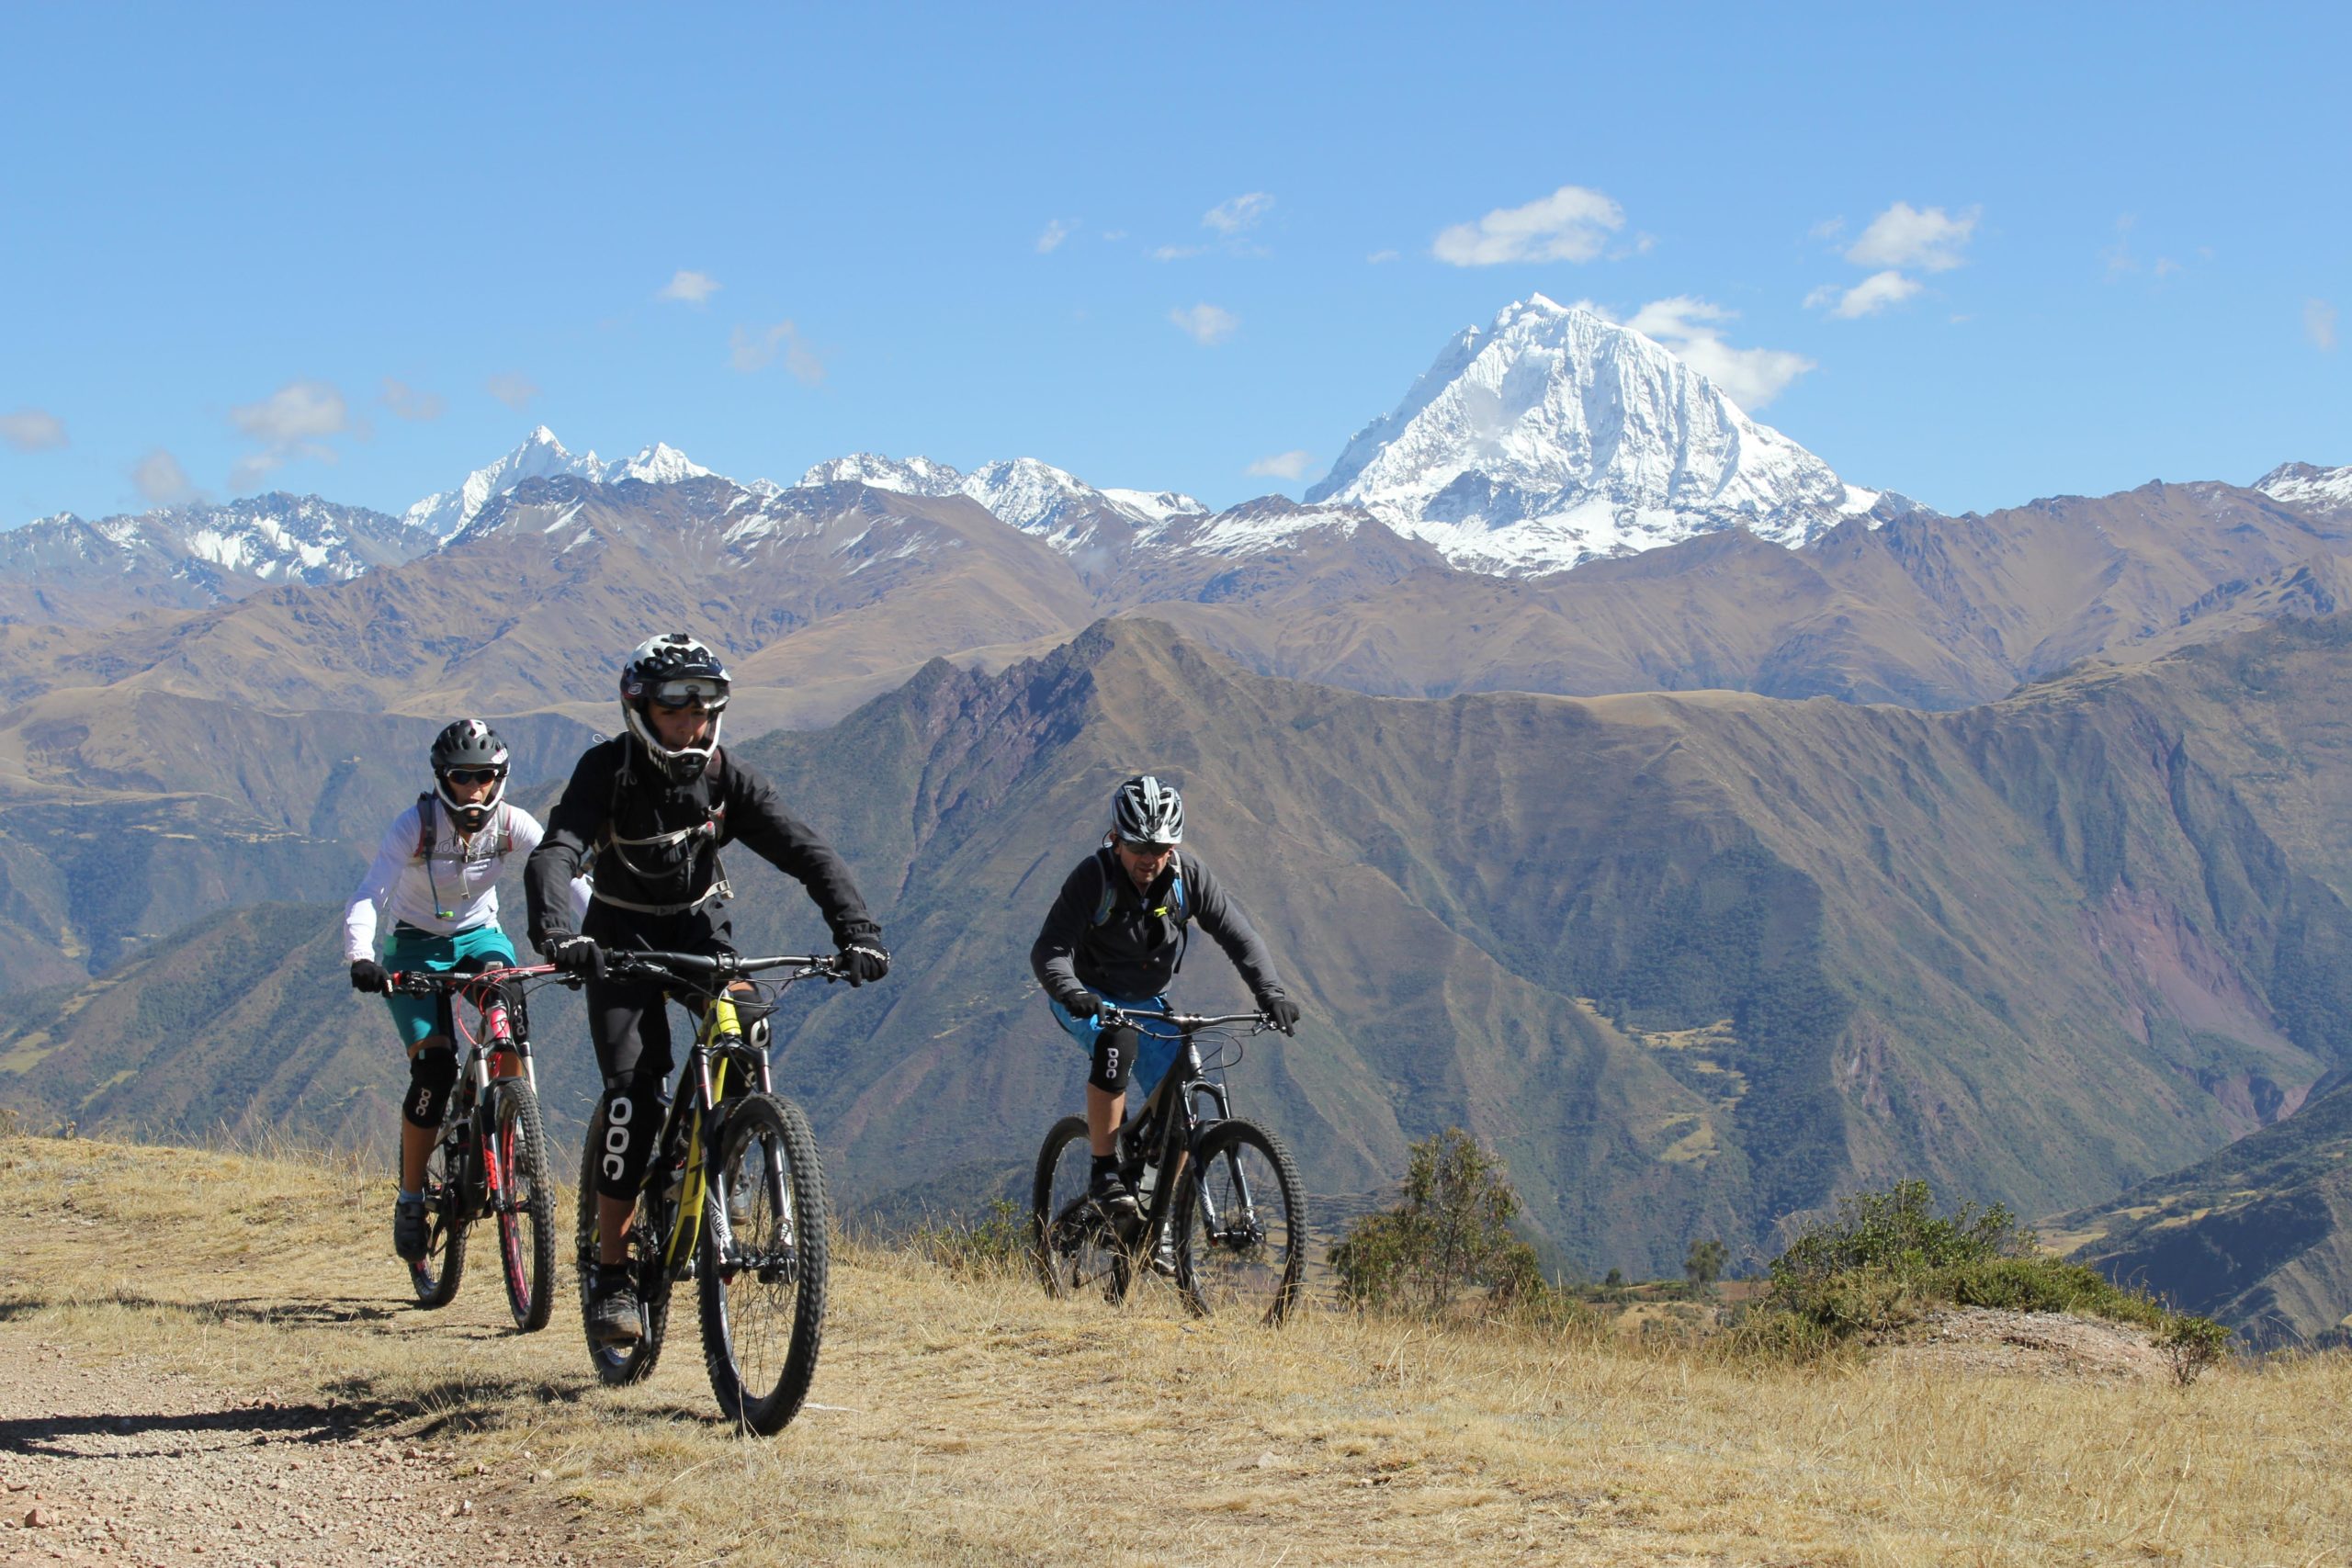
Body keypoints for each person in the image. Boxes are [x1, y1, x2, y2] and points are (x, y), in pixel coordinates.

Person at [525, 632, 888, 1347]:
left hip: (701, 939)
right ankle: (612, 1270)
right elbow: (557, 851)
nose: (693, 722)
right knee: (634, 1090)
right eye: (675, 707)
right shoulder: (607, 770)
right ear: (639, 708)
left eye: (706, 707)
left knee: (747, 1023)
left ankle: (727, 1158)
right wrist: (556, 933)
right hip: (619, 942)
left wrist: (859, 930)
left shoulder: (727, 779)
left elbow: (804, 849)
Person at [1029, 773, 1301, 1224]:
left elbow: (1238, 935)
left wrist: (1271, 994)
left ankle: (1158, 1211)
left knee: (1184, 1100)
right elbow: (1050, 950)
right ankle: (1104, 1172)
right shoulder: (1094, 878)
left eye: (1161, 849)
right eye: (1138, 847)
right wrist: (1072, 992)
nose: (1149, 859)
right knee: (1116, 1043)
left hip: (1148, 1000)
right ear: (1116, 839)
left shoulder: (1187, 877)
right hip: (1085, 995)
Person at [345, 719, 544, 1267]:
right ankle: (411, 1199)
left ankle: (515, 1125)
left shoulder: (513, 824)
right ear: (443, 779)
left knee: (507, 1012)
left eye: (485, 776)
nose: (474, 789)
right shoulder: (416, 826)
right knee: (433, 1070)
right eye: (462, 777)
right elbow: (372, 891)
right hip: (413, 948)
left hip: (481, 939)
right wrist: (360, 956)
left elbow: (564, 876)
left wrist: (596, 937)